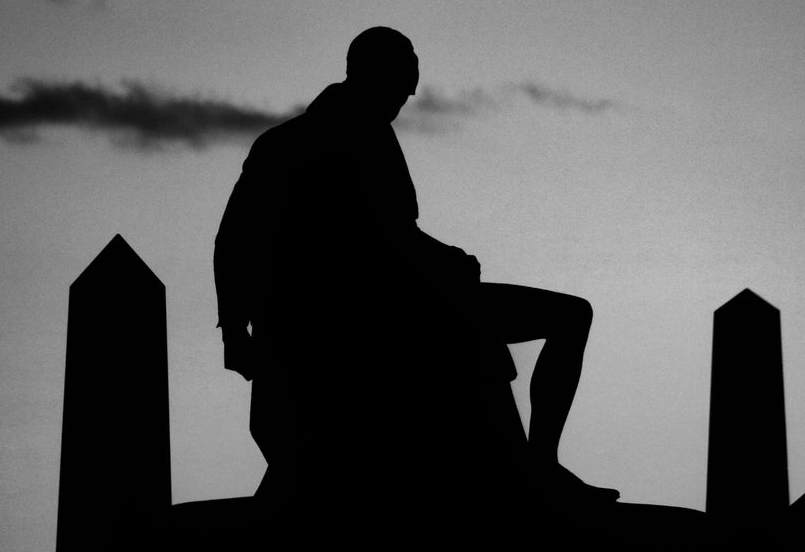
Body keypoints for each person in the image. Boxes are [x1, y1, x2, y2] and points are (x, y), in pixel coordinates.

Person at [214, 26, 618, 508]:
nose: (405, 99)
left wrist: (236, 333)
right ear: (373, 77)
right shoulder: (337, 139)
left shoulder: (302, 139)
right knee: (570, 316)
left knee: (545, 318)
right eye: (401, 87)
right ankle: (540, 467)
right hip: (383, 317)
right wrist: (449, 262)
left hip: (397, 305)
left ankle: (531, 465)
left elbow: (236, 241)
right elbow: (380, 240)